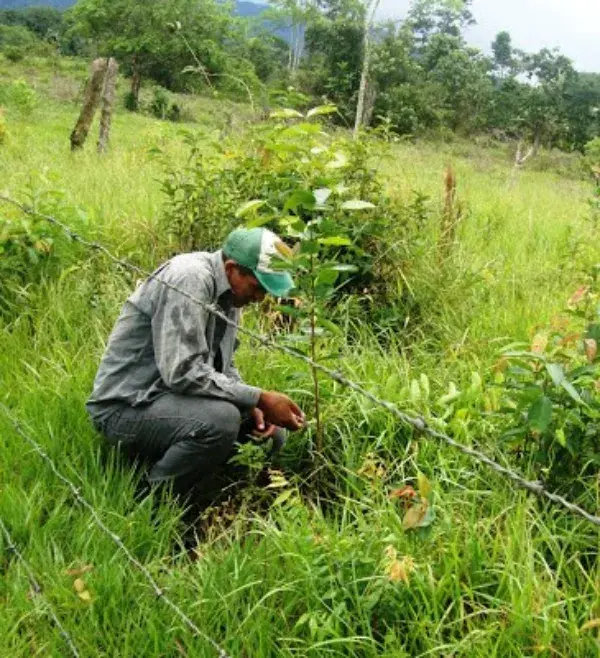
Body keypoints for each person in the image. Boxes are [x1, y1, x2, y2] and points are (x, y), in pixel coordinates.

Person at [86, 227, 305, 496]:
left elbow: (223, 364)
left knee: (271, 432)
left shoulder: (231, 296)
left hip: (172, 399)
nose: (260, 298)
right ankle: (150, 503)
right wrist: (258, 397)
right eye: (258, 287)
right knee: (220, 421)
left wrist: (251, 403)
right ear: (232, 268)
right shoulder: (189, 278)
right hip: (128, 405)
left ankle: (223, 495)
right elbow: (182, 371)